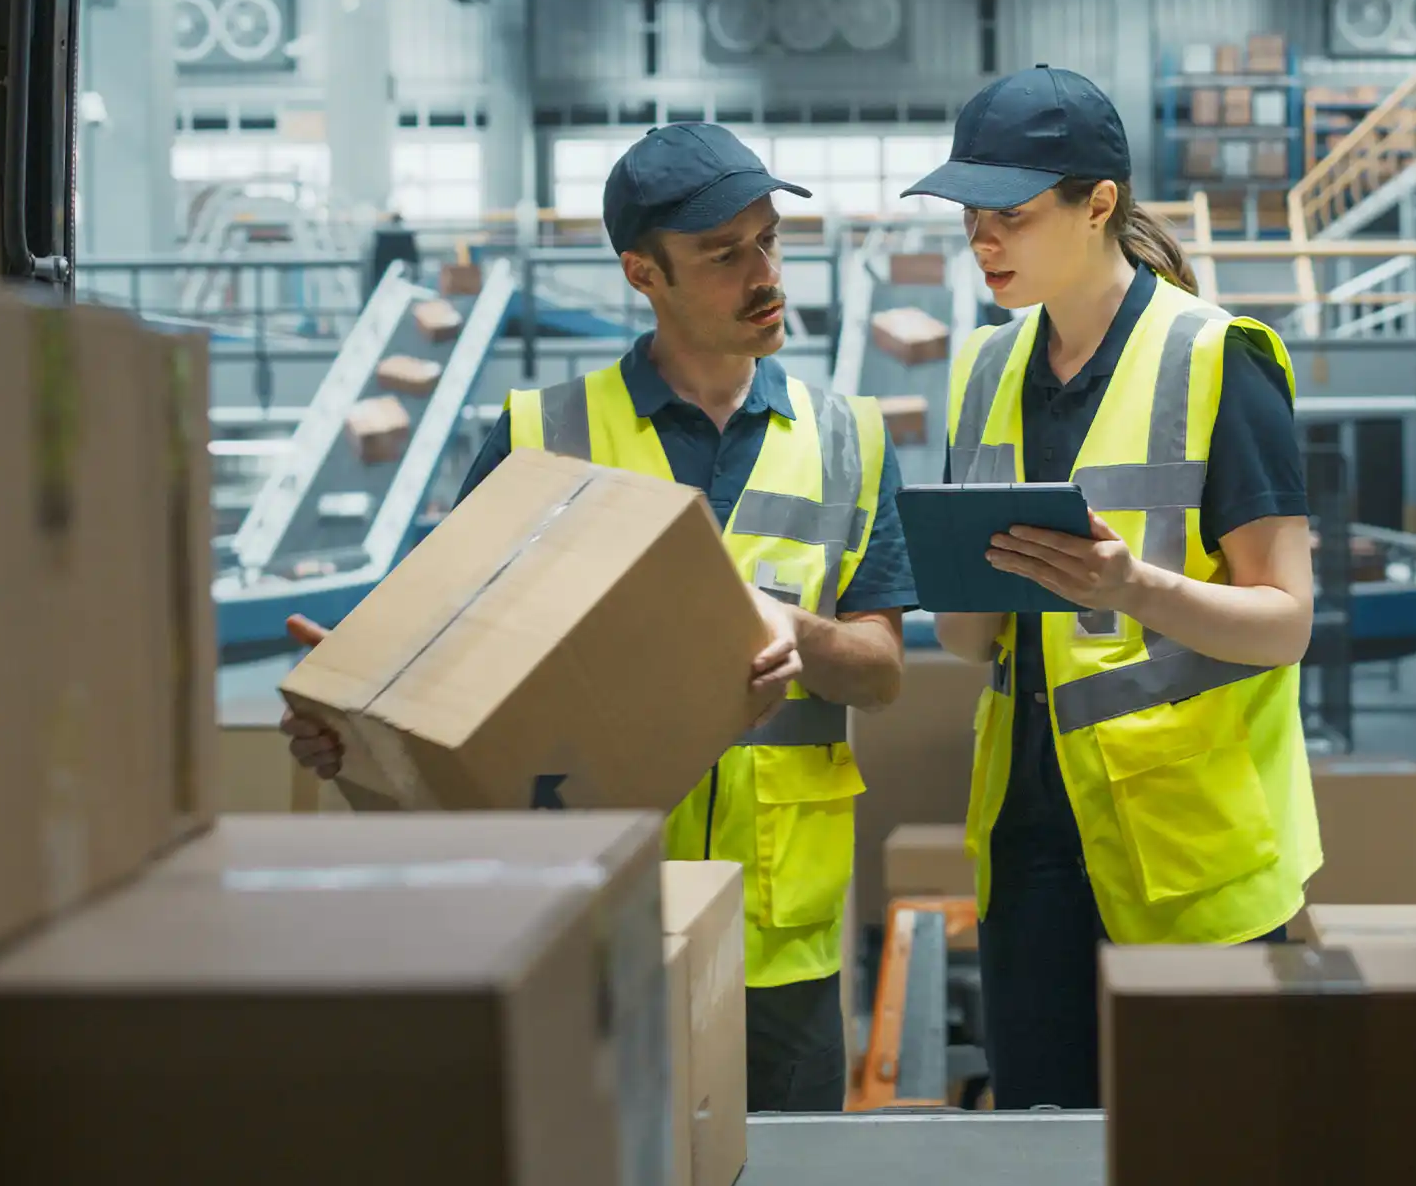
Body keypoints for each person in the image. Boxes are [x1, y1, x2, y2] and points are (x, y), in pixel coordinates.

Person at [284, 124, 917, 1113]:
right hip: (589, 926)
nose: (764, 274)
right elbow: (437, 659)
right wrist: (352, 717)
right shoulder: (542, 437)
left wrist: (804, 635)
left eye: (769, 240)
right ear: (642, 273)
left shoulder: (850, 439)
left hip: (778, 935)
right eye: (723, 254)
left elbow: (881, 670)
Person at [904, 66, 1321, 1110]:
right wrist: (960, 583)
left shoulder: (1219, 359)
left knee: (1197, 1160)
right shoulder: (983, 369)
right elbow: (971, 643)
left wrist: (1129, 585)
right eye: (970, 218)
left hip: (1186, 847)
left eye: (1010, 215)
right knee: (1045, 1155)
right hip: (1029, 841)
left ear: (1098, 204)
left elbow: (1286, 624)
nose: (982, 241)